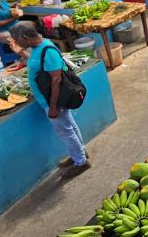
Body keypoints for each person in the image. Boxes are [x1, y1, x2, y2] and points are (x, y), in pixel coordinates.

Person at [10, 21, 90, 179]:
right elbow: (37, 64)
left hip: (53, 100)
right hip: (47, 100)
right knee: (70, 126)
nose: (15, 42)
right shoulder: (36, 48)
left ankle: (80, 162)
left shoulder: (48, 50)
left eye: (16, 39)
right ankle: (79, 153)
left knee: (66, 132)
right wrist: (20, 52)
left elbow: (56, 81)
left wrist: (53, 107)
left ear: (25, 37)